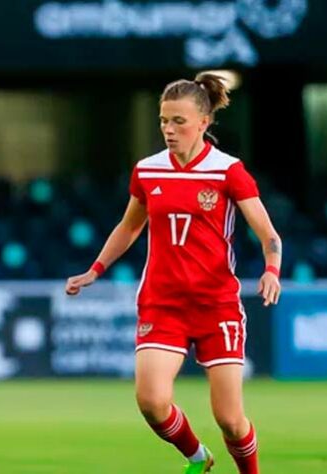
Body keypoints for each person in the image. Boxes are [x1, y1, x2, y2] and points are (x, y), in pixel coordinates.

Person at [65, 73, 281, 474]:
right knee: (151, 401)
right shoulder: (148, 170)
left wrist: (272, 270)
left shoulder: (228, 171)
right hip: (162, 302)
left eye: (178, 121)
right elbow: (129, 227)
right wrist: (95, 270)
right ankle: (198, 459)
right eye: (164, 120)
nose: (168, 129)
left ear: (203, 122)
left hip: (216, 305)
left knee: (230, 420)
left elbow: (268, 234)